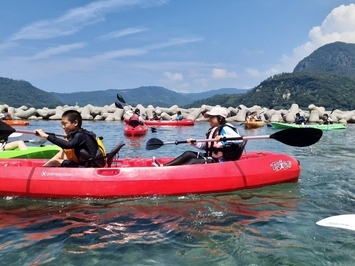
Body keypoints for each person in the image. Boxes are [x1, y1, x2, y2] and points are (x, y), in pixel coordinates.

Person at [153, 107, 243, 167]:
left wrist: (224, 138)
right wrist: (194, 143)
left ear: (220, 118)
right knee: (188, 153)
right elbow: (205, 146)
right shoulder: (213, 129)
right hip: (209, 156)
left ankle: (176, 172)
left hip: (218, 161)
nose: (209, 119)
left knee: (192, 161)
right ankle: (164, 167)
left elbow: (239, 139)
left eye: (212, 117)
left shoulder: (226, 129)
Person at [35, 110, 106, 167]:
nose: (63, 127)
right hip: (89, 164)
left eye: (65, 124)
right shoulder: (82, 133)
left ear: (75, 123)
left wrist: (46, 136)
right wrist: (44, 134)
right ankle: (43, 170)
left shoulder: (80, 135)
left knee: (56, 161)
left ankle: (40, 173)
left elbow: (68, 145)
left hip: (89, 167)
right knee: (62, 153)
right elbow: (69, 142)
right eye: (62, 124)